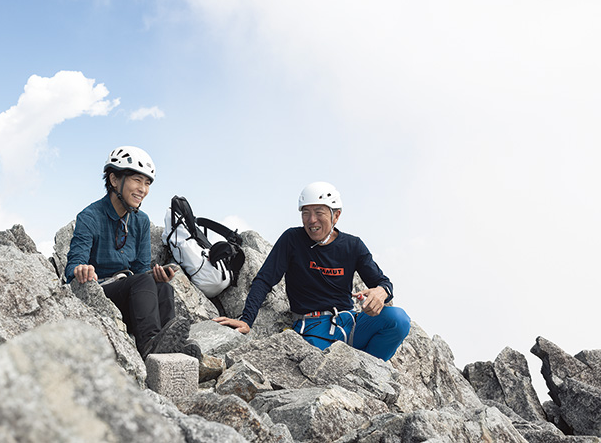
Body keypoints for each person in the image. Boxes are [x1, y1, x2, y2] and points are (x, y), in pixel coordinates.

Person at [214, 182, 410, 361]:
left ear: (337, 215)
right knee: (326, 367)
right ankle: (356, 371)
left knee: (398, 320)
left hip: (349, 324)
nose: (311, 220)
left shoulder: (353, 246)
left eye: (319, 212)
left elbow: (383, 282)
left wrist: (381, 291)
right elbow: (265, 280)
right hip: (313, 328)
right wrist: (246, 320)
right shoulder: (292, 240)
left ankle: (369, 370)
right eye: (305, 213)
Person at [66, 146, 200, 359]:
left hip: (130, 296)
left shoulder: (141, 221)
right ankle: (149, 345)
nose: (143, 189)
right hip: (101, 294)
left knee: (163, 288)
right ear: (114, 179)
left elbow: (141, 270)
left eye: (147, 183)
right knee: (143, 282)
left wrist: (155, 276)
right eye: (137, 180)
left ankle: (173, 349)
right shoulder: (90, 216)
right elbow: (72, 267)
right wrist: (81, 270)